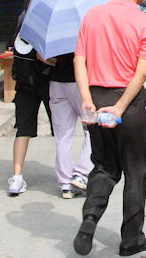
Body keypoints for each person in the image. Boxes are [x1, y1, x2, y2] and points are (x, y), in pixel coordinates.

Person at [72, 0, 146, 256]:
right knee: (136, 171)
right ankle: (131, 239)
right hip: (130, 104)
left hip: (96, 99)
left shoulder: (92, 15)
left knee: (104, 166)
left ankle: (90, 218)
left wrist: (86, 99)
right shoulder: (145, 22)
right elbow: (142, 72)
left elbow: (79, 60)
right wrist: (121, 106)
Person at [8, 0, 55, 196]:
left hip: (24, 82)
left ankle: (16, 177)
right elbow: (42, 56)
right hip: (45, 79)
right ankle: (68, 176)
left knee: (23, 130)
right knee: (62, 129)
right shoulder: (43, 17)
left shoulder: (23, 15)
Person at [49, 51, 93, 199]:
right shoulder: (83, 29)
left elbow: (40, 56)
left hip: (56, 83)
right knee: (92, 130)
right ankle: (82, 174)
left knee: (63, 136)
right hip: (80, 84)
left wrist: (59, 63)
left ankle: (66, 183)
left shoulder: (54, 30)